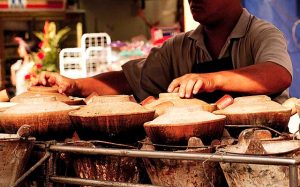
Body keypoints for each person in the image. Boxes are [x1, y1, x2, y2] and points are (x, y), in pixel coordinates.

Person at [32, 0, 292, 104]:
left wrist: (212, 79)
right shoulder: (178, 47)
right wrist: (74, 85)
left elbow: (277, 73)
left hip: (258, 165)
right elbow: (129, 80)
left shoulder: (261, 33)